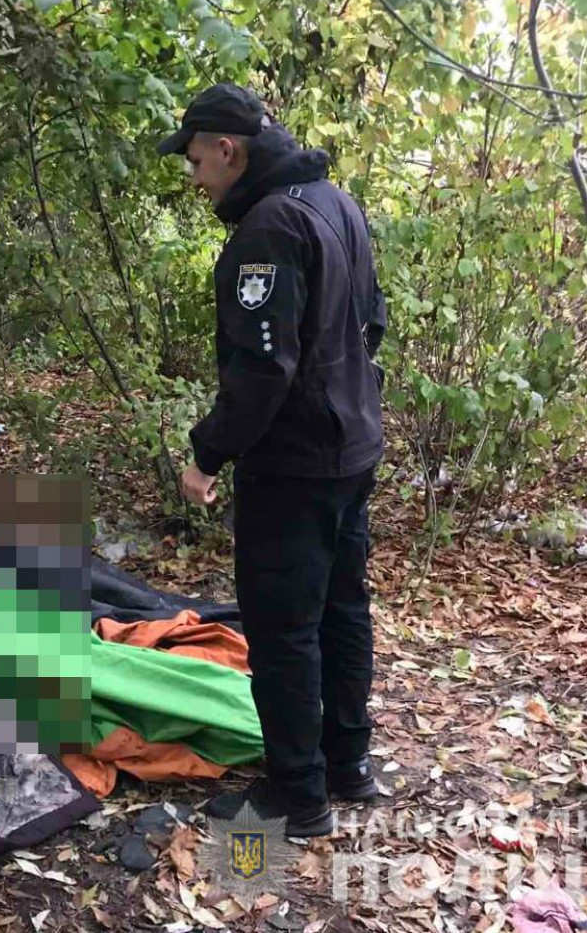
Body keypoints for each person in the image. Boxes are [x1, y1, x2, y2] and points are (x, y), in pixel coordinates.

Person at [156, 83, 388, 840]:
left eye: (197, 162)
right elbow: (372, 323)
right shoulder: (336, 203)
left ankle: (298, 794)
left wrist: (207, 454)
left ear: (229, 151)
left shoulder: (267, 228)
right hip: (353, 446)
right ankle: (348, 764)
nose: (195, 178)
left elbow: (263, 369)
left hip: (294, 464)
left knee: (284, 626)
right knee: (342, 607)